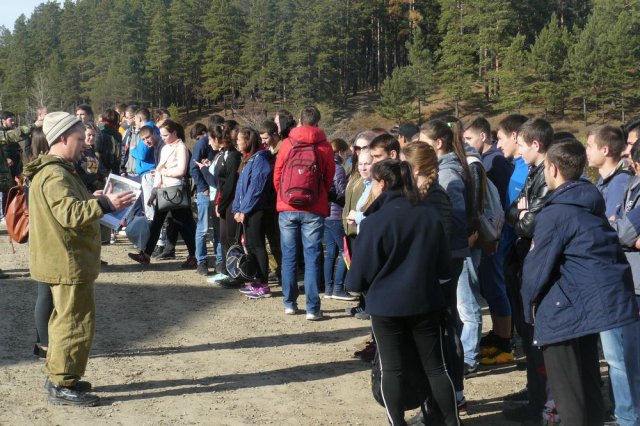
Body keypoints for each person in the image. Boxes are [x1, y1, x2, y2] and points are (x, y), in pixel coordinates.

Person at [522, 139, 639, 426]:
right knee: (588, 388)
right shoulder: (591, 203)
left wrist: (528, 311)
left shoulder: (556, 212)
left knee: (569, 397)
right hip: (584, 308)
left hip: (563, 311)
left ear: (552, 168)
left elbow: (536, 269)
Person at [23, 111, 135, 406]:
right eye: (77, 138)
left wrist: (94, 198)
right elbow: (69, 214)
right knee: (73, 324)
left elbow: (70, 205)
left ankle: (62, 376)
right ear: (61, 138)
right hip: (67, 260)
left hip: (65, 258)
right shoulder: (55, 173)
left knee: (65, 322)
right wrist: (105, 203)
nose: (84, 144)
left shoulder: (57, 171)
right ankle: (62, 383)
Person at [346, 159, 459, 426]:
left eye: (373, 182)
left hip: (386, 305)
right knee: (437, 368)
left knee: (392, 369)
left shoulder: (375, 221)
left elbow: (356, 278)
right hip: (426, 301)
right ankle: (453, 422)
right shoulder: (429, 215)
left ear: (383, 183)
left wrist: (363, 286)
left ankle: (397, 423)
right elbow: (444, 268)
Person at [503, 117, 553, 423]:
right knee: (529, 338)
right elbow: (513, 213)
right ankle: (537, 398)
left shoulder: (548, 176)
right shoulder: (534, 172)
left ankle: (543, 404)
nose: (518, 151)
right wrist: (518, 213)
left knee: (538, 339)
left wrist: (520, 214)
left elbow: (528, 223)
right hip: (522, 261)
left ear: (535, 145)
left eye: (521, 144)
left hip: (535, 263)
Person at [273, 106, 335, 320]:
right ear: (318, 122)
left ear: (299, 120)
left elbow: (278, 174)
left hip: (287, 206)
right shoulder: (325, 146)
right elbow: (328, 177)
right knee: (312, 257)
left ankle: (289, 303)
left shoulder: (288, 143)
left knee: (289, 256)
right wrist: (319, 195)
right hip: (314, 208)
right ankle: (312, 308)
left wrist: (283, 196)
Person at [128, 120, 197, 269]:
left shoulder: (181, 147)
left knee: (183, 224)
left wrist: (163, 172)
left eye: (165, 134)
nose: (163, 137)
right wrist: (155, 188)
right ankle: (146, 254)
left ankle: (193, 255)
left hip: (175, 190)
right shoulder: (165, 148)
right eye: (162, 134)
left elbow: (181, 170)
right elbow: (159, 169)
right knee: (157, 223)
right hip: (164, 191)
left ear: (174, 133)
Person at [608, 141, 640, 425]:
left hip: (637, 283)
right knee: (626, 360)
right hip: (630, 278)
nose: (627, 158)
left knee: (632, 361)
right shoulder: (633, 187)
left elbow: (624, 229)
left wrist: (616, 224)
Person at [232, 127, 280, 298]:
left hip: (258, 209)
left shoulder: (260, 160)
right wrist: (237, 209)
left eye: (239, 138)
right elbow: (241, 187)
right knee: (250, 246)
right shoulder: (249, 159)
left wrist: (244, 209)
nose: (237, 141)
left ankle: (264, 284)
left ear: (248, 140)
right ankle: (255, 280)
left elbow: (256, 188)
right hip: (247, 210)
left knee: (258, 246)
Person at [191, 116, 223, 276]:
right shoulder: (202, 143)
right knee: (203, 228)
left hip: (217, 191)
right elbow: (194, 167)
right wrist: (202, 187)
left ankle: (219, 261)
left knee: (218, 229)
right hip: (205, 192)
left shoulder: (223, 145)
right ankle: (201, 261)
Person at [323, 139, 353, 300]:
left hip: (326, 215)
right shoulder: (338, 168)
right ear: (340, 152)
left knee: (330, 253)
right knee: (345, 252)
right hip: (336, 215)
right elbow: (341, 192)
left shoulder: (325, 165)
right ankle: (338, 287)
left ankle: (328, 288)